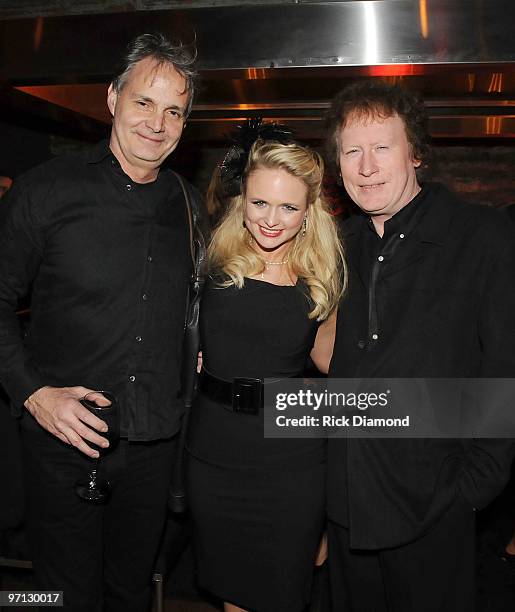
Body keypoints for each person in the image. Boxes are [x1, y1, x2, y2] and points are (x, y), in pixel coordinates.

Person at [0, 33, 203, 612]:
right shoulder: (45, 192)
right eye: (144, 102)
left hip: (153, 445)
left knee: (130, 591)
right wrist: (34, 393)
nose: (157, 123)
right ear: (113, 98)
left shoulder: (191, 208)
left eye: (174, 111)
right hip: (62, 442)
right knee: (59, 596)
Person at [325, 80, 515, 612]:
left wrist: (471, 489)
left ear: (415, 153)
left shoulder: (481, 236)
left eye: (382, 147)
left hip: (433, 509)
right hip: (345, 507)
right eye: (352, 150)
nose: (366, 166)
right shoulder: (339, 246)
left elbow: (505, 369)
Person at [186, 122, 345, 612]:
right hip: (214, 457)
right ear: (242, 199)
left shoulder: (319, 278)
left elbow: (336, 365)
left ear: (308, 211)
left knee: (281, 594)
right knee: (234, 596)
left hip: (291, 464)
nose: (271, 220)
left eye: (288, 207)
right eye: (259, 203)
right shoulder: (209, 258)